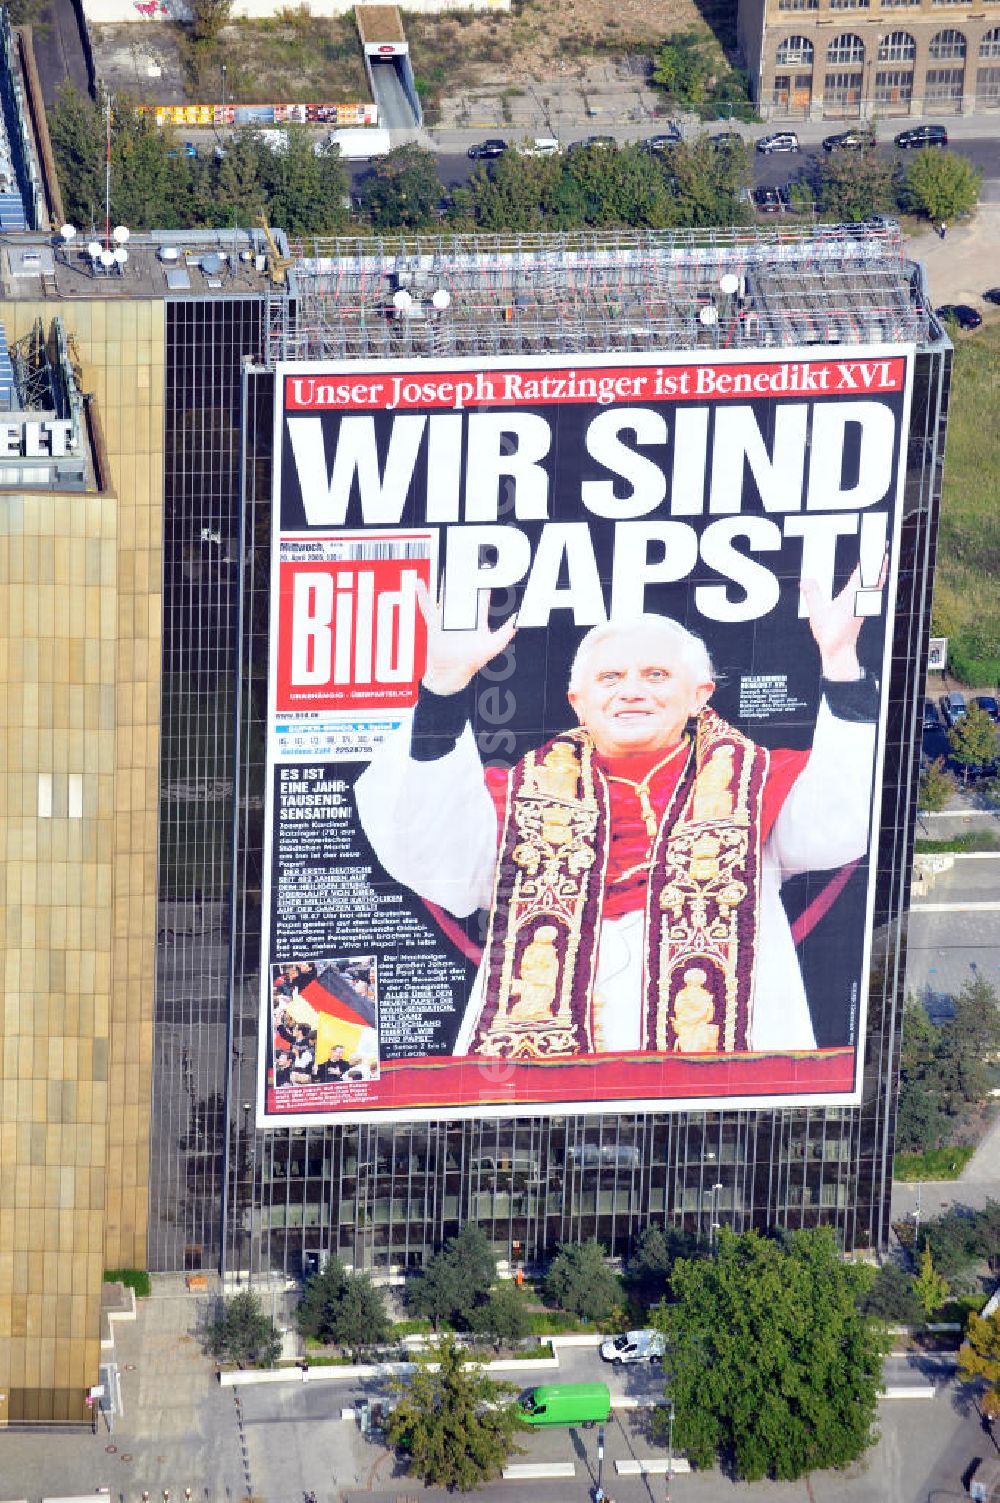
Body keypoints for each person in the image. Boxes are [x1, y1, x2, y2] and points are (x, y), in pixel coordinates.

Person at [355, 564, 882, 1061]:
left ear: (700, 695)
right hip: (545, 1078)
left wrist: (840, 665)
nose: (631, 691)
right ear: (578, 701)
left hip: (723, 1063)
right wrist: (444, 687)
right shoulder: (519, 792)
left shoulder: (754, 781)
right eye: (610, 678)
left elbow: (841, 820)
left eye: (655, 675)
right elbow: (434, 858)